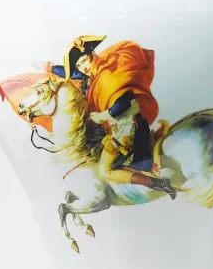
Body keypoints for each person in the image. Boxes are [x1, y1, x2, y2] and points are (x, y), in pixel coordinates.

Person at [45, 35, 173, 195]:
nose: (83, 67)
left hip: (127, 126)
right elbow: (75, 74)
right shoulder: (94, 74)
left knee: (105, 170)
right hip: (119, 124)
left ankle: (158, 183)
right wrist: (51, 68)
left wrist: (103, 116)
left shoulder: (107, 74)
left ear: (92, 55)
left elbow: (125, 100)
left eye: (84, 61)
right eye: (79, 65)